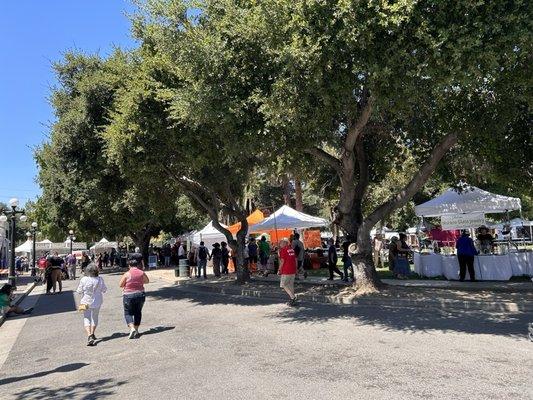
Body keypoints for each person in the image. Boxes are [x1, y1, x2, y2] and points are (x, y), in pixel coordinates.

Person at [76, 264, 107, 346]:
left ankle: (89, 335)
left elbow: (79, 291)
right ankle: (92, 333)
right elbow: (104, 290)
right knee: (95, 317)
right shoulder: (100, 279)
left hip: (85, 302)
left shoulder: (84, 279)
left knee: (86, 318)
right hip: (97, 301)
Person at [119, 256, 149, 339]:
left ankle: (132, 328)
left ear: (129, 265)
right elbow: (147, 281)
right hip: (140, 294)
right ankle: (136, 329)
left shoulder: (127, 274)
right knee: (138, 312)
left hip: (128, 295)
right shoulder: (141, 272)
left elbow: (120, 285)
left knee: (127, 313)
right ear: (137, 265)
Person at [278, 239, 298, 306]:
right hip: (293, 269)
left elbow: (282, 261)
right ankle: (292, 299)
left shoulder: (283, 250)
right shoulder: (291, 249)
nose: (279, 244)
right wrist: (296, 268)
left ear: (284, 243)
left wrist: (279, 269)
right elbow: (295, 259)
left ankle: (293, 297)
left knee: (283, 285)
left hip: (286, 270)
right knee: (290, 285)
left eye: (280, 243)